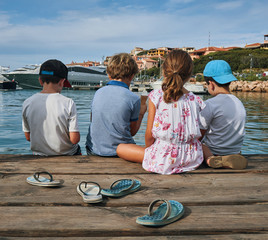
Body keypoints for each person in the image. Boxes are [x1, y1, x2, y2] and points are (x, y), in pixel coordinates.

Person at [117, 50, 205, 174]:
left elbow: (149, 135)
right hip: (191, 157)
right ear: (189, 74)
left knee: (120, 148)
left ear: (164, 71)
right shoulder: (196, 100)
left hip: (163, 158)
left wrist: (149, 153)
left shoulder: (156, 96)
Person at [85, 53, 147, 156]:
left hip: (93, 150)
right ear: (132, 76)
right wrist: (141, 112)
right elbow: (132, 132)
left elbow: (93, 120)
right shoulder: (134, 99)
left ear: (109, 75)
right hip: (119, 153)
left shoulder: (98, 93)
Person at [22, 59, 81, 155]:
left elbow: (28, 137)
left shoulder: (27, 103)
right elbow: (74, 139)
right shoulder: (68, 103)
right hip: (67, 155)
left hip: (39, 155)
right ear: (62, 82)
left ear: (40, 81)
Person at [200, 60, 247, 169]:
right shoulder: (238, 103)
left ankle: (211, 159)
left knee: (197, 143)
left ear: (211, 84)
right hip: (234, 151)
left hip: (215, 152)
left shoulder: (210, 104)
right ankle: (231, 158)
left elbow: (199, 135)